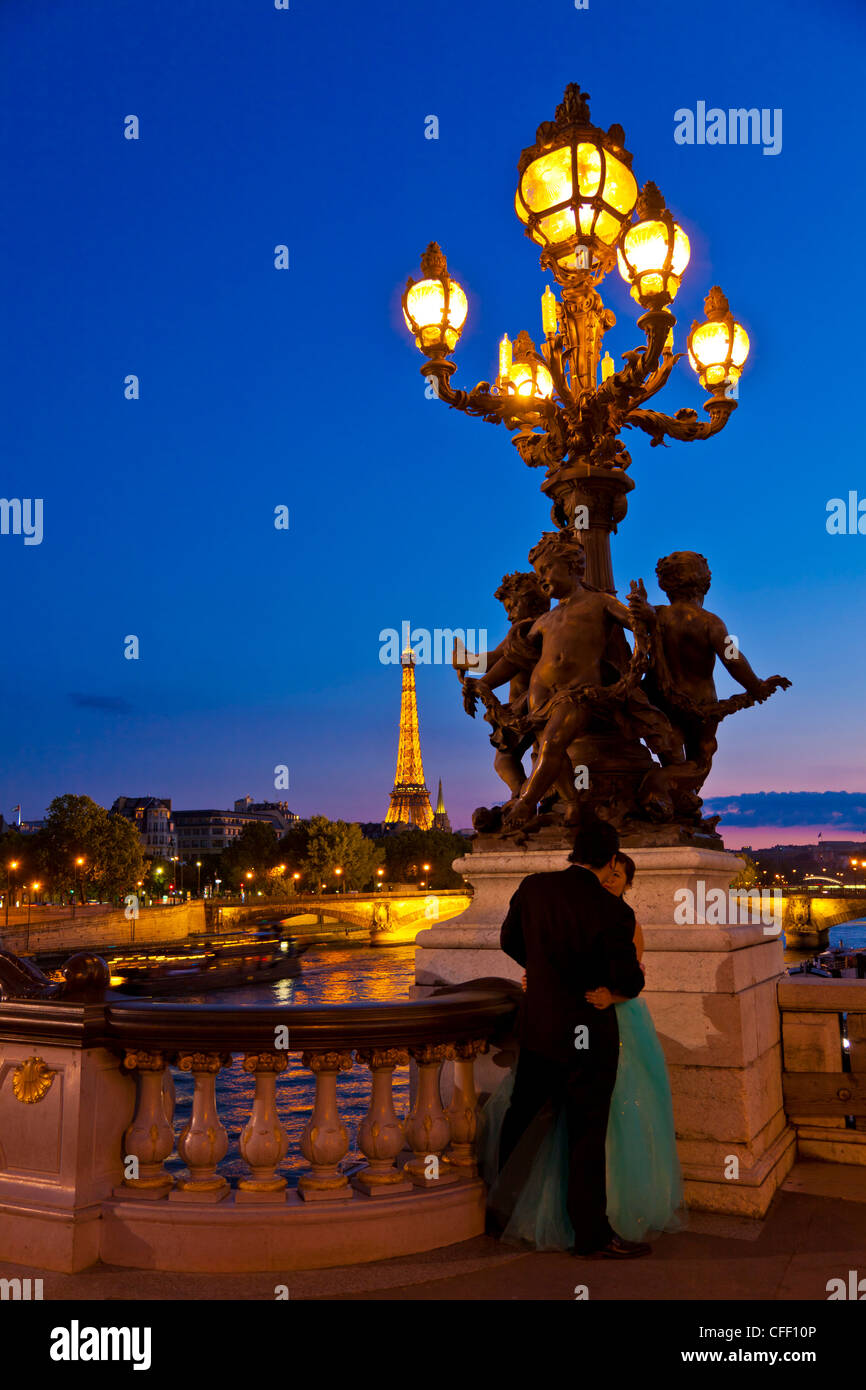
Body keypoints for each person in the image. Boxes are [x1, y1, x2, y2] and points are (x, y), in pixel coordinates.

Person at [480, 833, 683, 1255]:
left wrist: (546, 975)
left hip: (539, 1026)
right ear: (611, 861)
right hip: (588, 1031)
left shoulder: (534, 886)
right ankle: (590, 1235)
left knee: (523, 1117)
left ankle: (499, 1213)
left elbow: (510, 942)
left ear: (573, 854)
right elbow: (629, 981)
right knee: (586, 1135)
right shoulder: (613, 911)